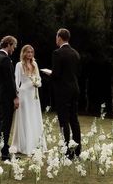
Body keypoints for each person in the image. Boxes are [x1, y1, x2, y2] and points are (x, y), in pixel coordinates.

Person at [51, 28, 81, 159]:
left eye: (56, 37)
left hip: (63, 91)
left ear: (59, 37)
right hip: (75, 89)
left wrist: (48, 75)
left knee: (64, 121)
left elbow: (56, 75)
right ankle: (78, 150)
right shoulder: (75, 53)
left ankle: (67, 151)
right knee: (74, 120)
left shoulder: (58, 53)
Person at [11, 45, 47, 155]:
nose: (30, 54)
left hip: (34, 95)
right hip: (24, 94)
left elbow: (39, 78)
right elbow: (16, 80)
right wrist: (16, 95)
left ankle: (36, 144)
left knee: (34, 116)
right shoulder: (19, 65)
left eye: (31, 52)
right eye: (28, 52)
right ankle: (24, 144)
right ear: (23, 53)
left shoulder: (34, 64)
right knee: (25, 117)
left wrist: (38, 83)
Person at [0, 35, 19, 161]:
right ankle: (4, 153)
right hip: (6, 97)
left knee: (0, 123)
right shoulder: (5, 59)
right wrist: (15, 97)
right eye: (13, 46)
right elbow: (10, 81)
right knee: (6, 124)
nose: (14, 49)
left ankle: (0, 146)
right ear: (8, 44)